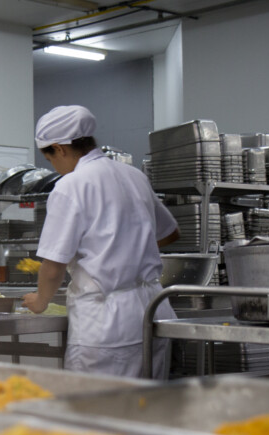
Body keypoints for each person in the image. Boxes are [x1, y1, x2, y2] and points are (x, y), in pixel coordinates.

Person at [22, 105, 180, 379]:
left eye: (50, 160)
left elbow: (54, 264)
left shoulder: (71, 185)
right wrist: (128, 249)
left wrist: (41, 301)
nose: (56, 168)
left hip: (107, 324)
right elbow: (169, 233)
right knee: (148, 410)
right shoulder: (134, 176)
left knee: (95, 411)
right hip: (154, 312)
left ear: (59, 148)